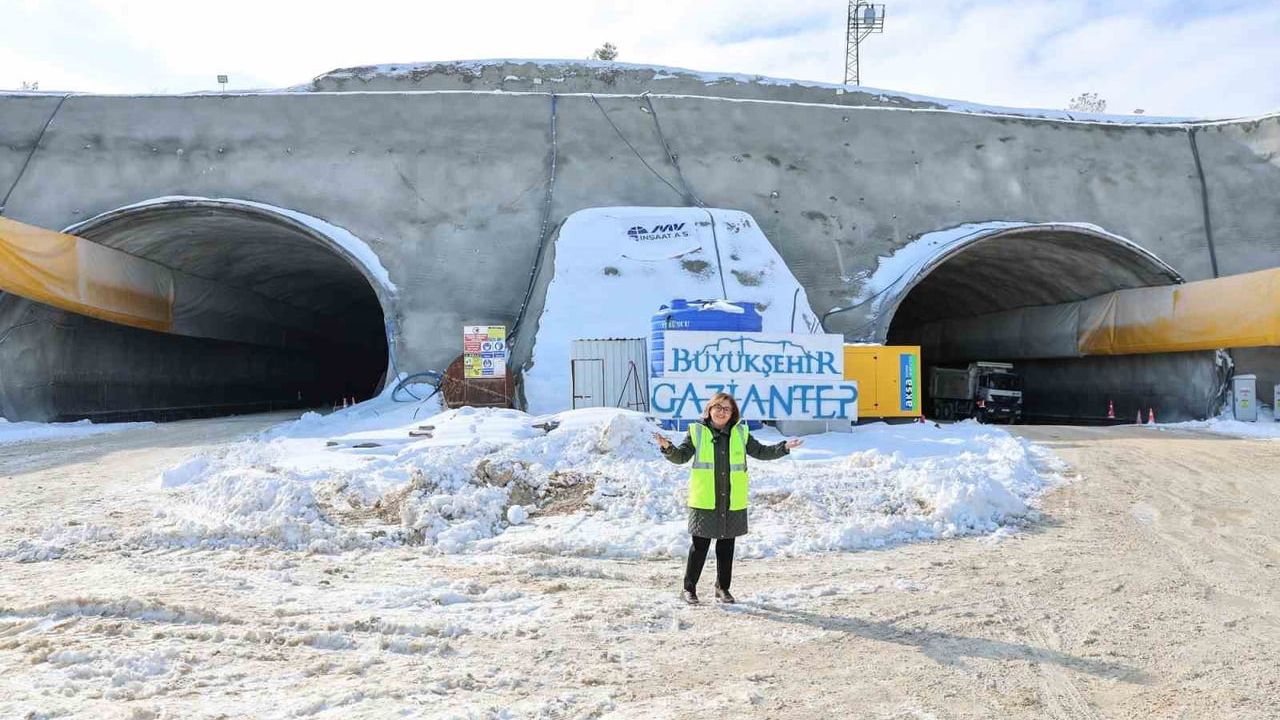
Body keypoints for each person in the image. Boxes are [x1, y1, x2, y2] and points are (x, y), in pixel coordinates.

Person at [653, 392, 803, 604]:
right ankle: (689, 589)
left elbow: (760, 451)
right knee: (699, 546)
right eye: (718, 407)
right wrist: (667, 447)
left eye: (727, 409)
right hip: (705, 499)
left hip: (732, 499)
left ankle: (722, 588)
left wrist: (784, 447)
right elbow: (681, 457)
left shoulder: (741, 432)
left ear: (732, 413)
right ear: (709, 409)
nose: (722, 412)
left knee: (726, 546)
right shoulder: (696, 431)